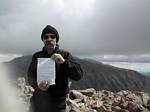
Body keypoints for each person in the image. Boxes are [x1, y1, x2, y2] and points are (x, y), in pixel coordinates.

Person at [27, 25, 83, 112]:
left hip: (58, 105)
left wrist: (64, 62)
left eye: (52, 36)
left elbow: (78, 75)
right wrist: (37, 85)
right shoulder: (37, 56)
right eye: (46, 37)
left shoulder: (65, 55)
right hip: (37, 103)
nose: (49, 39)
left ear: (56, 39)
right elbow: (30, 75)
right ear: (43, 40)